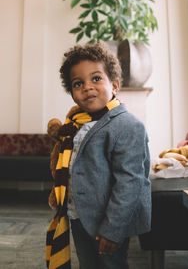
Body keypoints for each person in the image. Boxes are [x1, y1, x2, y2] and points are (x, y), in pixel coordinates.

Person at [47, 42, 151, 269]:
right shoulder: (76, 124)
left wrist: (113, 230)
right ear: (73, 93)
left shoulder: (128, 125)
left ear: (114, 85)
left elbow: (129, 182)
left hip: (108, 220)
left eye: (96, 79)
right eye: (78, 83)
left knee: (111, 265)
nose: (87, 87)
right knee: (88, 264)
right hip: (78, 215)